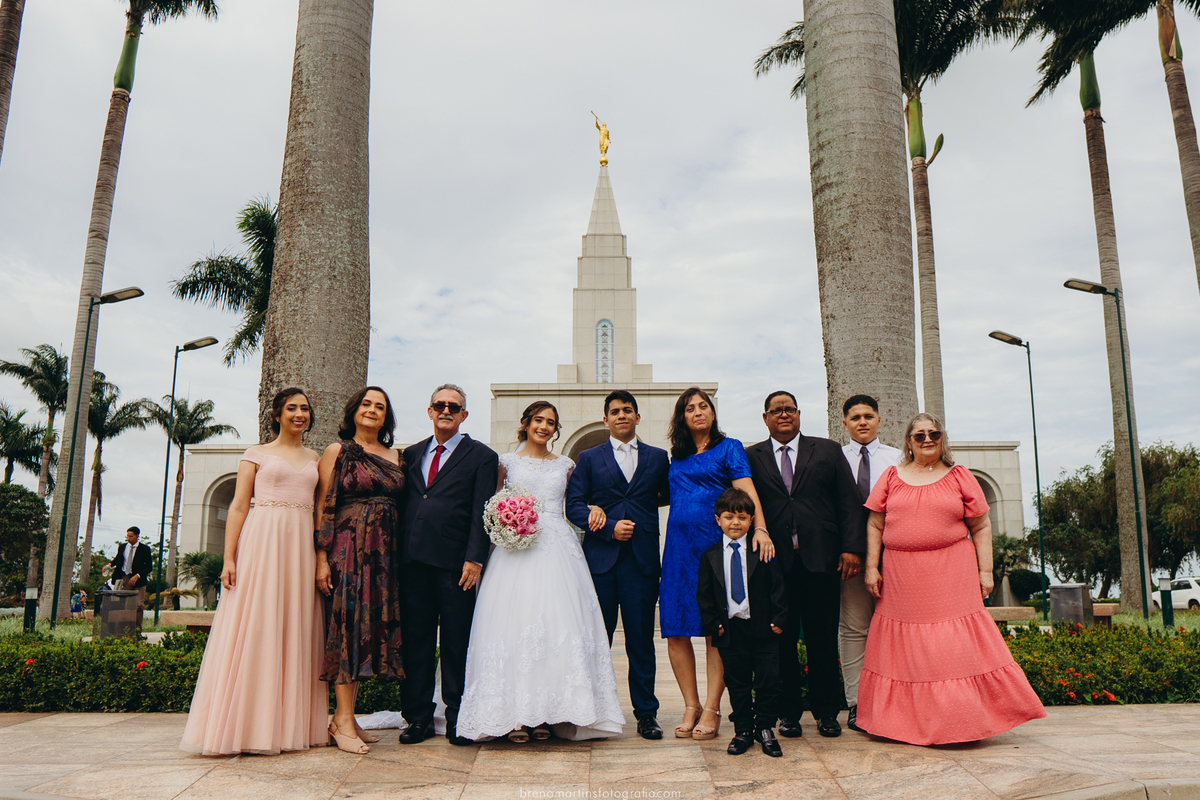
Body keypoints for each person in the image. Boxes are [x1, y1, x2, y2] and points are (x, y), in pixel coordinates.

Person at [859, 413, 1046, 745]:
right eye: (920, 435)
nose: (928, 439)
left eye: (934, 433)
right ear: (908, 441)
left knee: (952, 647)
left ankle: (961, 722)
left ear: (942, 438)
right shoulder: (891, 476)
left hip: (952, 572)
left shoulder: (959, 476)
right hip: (901, 577)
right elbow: (874, 524)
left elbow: (982, 526)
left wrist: (985, 571)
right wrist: (872, 567)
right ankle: (899, 723)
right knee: (906, 651)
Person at [458, 401, 624, 742]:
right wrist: (506, 522)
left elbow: (577, 501)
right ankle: (516, 716)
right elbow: (489, 505)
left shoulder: (566, 465)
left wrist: (592, 507)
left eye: (550, 422)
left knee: (558, 625)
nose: (544, 427)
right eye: (539, 420)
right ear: (526, 423)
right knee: (514, 625)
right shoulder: (505, 462)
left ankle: (551, 714)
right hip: (514, 550)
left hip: (558, 549)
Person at [181, 389, 328, 755]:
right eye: (292, 408)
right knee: (255, 626)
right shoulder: (256, 454)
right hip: (262, 543)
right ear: (277, 414)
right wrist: (230, 558)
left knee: (294, 628)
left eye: (305, 409)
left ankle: (287, 727)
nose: (299, 414)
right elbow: (236, 507)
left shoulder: (317, 458)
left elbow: (322, 511)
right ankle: (242, 727)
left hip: (301, 549)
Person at [746, 391, 864, 739]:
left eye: (789, 409)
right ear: (765, 418)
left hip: (822, 561)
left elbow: (849, 501)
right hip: (773, 565)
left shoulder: (826, 449)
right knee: (780, 643)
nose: (783, 415)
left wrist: (852, 549)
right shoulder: (751, 456)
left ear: (798, 414)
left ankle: (827, 713)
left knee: (822, 640)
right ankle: (788, 714)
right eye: (776, 411)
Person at [660, 387, 773, 741]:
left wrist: (761, 529)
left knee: (716, 629)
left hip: (716, 550)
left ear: (712, 412)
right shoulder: (675, 458)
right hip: (678, 551)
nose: (698, 411)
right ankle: (690, 705)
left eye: (703, 406)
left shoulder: (729, 447)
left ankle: (712, 708)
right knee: (675, 628)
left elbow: (747, 490)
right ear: (682, 416)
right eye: (690, 408)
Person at [565, 390, 671, 740]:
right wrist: (608, 526)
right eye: (615, 411)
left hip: (641, 563)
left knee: (641, 641)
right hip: (601, 563)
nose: (621, 415)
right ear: (606, 419)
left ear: (637, 418)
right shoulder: (589, 458)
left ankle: (646, 714)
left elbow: (668, 495)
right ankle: (591, 710)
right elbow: (574, 506)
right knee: (598, 639)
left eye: (628, 410)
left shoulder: (658, 458)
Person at [400, 384, 499, 746]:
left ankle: (459, 717)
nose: (446, 410)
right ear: (429, 411)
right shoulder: (410, 455)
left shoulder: (482, 457)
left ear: (463, 415)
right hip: (412, 563)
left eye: (453, 407)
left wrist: (475, 558)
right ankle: (418, 718)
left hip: (457, 566)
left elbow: (482, 512)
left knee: (458, 644)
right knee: (417, 642)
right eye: (439, 405)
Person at [316, 387, 406, 755]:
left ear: (387, 417)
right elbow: (323, 505)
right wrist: (321, 557)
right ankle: (340, 720)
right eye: (366, 404)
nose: (372, 410)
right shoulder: (336, 452)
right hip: (347, 552)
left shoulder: (397, 456)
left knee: (366, 633)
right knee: (346, 628)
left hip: (385, 556)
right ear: (354, 410)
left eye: (379, 406)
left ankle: (348, 719)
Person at [697, 488, 787, 758]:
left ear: (751, 521)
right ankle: (743, 731)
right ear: (718, 520)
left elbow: (778, 587)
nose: (735, 522)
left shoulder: (762, 550)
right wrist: (715, 625)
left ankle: (766, 728)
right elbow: (704, 596)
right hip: (731, 630)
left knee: (768, 680)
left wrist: (778, 619)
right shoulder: (710, 556)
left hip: (763, 628)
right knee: (736, 682)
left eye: (742, 517)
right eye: (729, 517)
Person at [838, 394, 902, 733]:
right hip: (851, 558)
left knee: (898, 628)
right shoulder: (834, 458)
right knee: (853, 629)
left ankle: (896, 700)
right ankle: (856, 703)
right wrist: (849, 549)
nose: (862, 422)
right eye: (855, 417)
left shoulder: (898, 459)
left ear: (879, 420)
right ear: (844, 422)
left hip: (894, 557)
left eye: (868, 416)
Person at [108, 526, 152, 611]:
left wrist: (137, 576)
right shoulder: (122, 547)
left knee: (138, 605)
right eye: (127, 536)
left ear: (137, 536)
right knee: (124, 603)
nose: (128, 539)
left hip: (139, 578)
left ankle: (137, 624)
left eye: (131, 536)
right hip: (125, 577)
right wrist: (109, 565)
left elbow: (149, 567)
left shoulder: (145, 549)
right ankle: (125, 623)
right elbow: (117, 560)